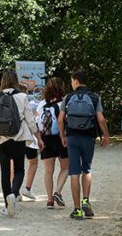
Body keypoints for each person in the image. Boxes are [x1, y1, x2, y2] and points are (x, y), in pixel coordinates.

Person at [0, 69, 41, 218]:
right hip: (18, 138)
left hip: (0, 139)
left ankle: (6, 205)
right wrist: (38, 137)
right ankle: (14, 194)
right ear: (16, 81)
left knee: (5, 173)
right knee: (19, 170)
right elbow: (30, 120)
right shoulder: (22, 97)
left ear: (3, 81)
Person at [59, 69, 110, 220]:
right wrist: (106, 135)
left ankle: (77, 210)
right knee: (86, 168)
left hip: (72, 137)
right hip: (88, 137)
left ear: (75, 80)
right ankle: (86, 201)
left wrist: (62, 136)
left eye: (71, 81)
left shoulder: (68, 98)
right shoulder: (94, 97)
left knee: (74, 171)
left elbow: (60, 120)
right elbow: (100, 119)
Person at [39, 77, 69, 209]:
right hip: (60, 138)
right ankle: (58, 191)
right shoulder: (63, 104)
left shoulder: (41, 104)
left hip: (45, 138)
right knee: (65, 168)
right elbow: (65, 121)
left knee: (48, 171)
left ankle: (49, 200)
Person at [19, 83, 40, 202]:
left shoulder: (13, 100)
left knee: (15, 164)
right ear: (26, 91)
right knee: (33, 162)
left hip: (16, 138)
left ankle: (15, 191)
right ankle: (28, 188)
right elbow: (34, 120)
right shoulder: (30, 103)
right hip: (29, 138)